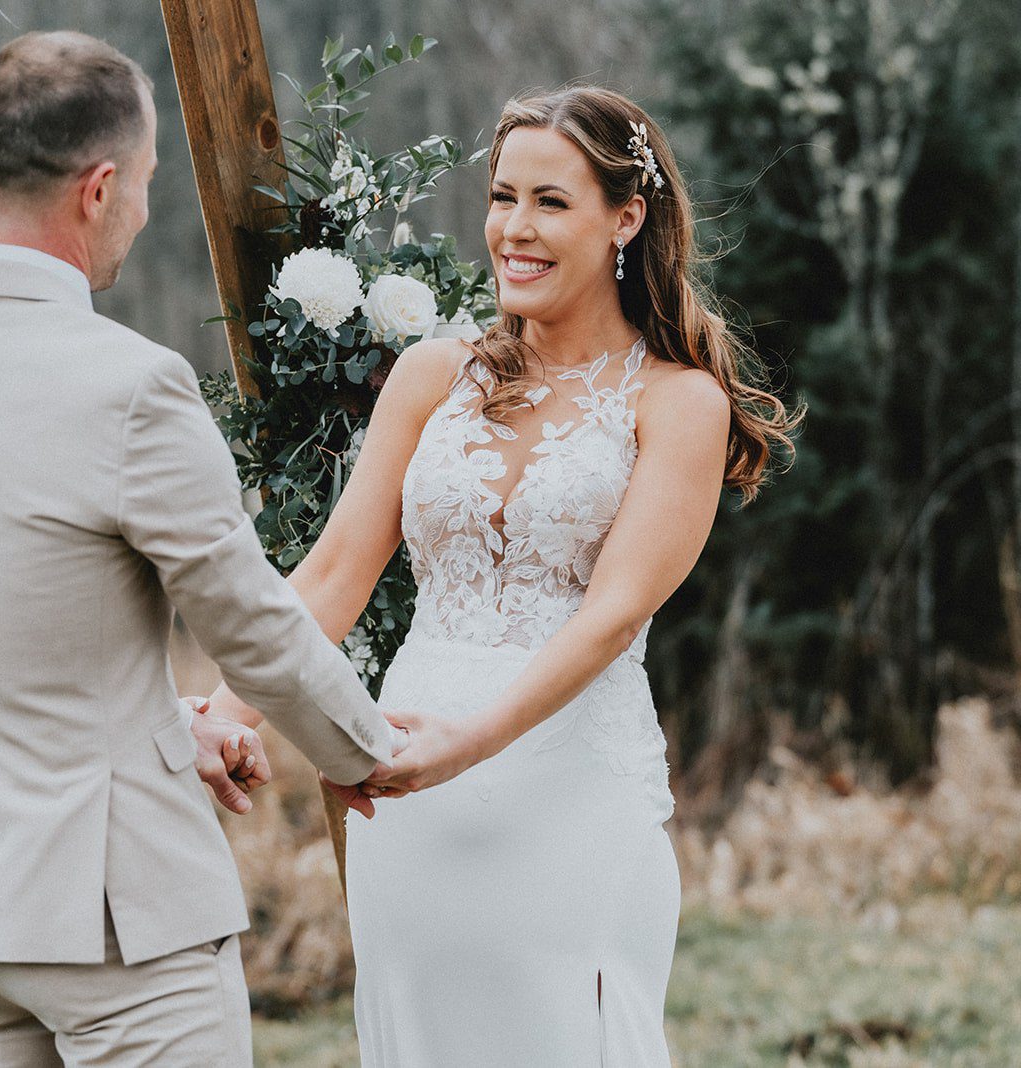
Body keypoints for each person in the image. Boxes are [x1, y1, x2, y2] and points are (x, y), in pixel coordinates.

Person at [0, 30, 414, 1067]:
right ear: (98, 189)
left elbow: (8, 635)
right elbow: (251, 629)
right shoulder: (128, 387)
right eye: (142, 184)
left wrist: (154, 723)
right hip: (117, 922)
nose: (143, 214)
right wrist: (369, 753)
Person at [204, 85, 801, 1064]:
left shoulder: (678, 403)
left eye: (550, 202)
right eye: (502, 196)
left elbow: (608, 617)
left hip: (569, 794)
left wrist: (470, 744)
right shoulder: (431, 376)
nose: (513, 229)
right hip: (403, 788)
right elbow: (336, 572)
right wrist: (227, 707)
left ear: (625, 218)